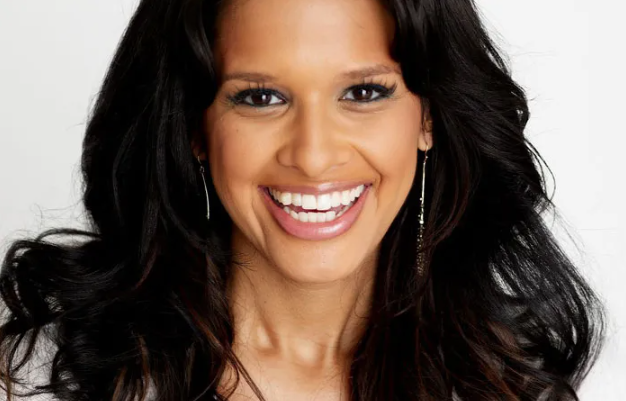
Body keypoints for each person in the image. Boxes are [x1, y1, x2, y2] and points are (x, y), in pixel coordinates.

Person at [0, 0, 605, 400]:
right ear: (195, 130)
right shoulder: (41, 379)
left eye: (363, 92)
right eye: (261, 98)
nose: (314, 156)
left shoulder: (509, 388)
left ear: (430, 118)